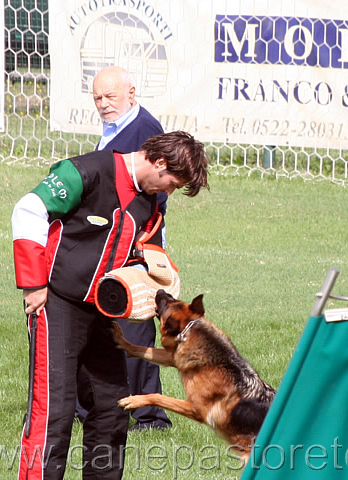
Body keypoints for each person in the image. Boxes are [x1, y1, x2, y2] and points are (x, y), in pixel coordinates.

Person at [12, 131, 209, 479]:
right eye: (172, 184)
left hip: (102, 314)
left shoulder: (150, 201)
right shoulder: (85, 171)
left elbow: (138, 250)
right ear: (159, 162)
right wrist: (33, 284)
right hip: (55, 302)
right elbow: (28, 210)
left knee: (113, 409)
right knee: (53, 413)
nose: (169, 192)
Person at [73, 65, 172, 432]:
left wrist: (139, 244)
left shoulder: (144, 131)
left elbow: (150, 193)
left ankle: (145, 414)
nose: (103, 104)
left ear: (132, 91)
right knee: (122, 320)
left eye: (110, 97)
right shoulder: (120, 125)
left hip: (134, 239)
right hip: (118, 236)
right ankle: (118, 407)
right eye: (97, 97)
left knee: (134, 321)